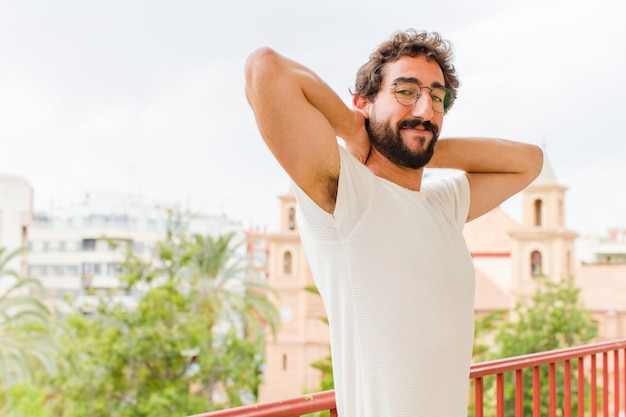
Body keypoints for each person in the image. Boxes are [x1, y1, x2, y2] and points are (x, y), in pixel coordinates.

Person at [244, 29, 543, 417]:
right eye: (405, 91)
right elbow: (264, 69)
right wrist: (353, 128)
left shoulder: (444, 204)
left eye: (436, 97)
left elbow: (529, 161)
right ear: (363, 102)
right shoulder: (348, 196)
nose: (424, 108)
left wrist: (417, 143)